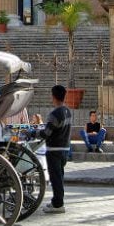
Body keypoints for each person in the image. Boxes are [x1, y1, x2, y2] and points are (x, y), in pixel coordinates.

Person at [35, 84, 71, 214]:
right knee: (59, 177)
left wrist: (33, 133)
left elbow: (46, 133)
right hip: (65, 149)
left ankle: (58, 204)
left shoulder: (55, 114)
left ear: (53, 97)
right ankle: (57, 201)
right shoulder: (67, 111)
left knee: (55, 178)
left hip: (54, 150)